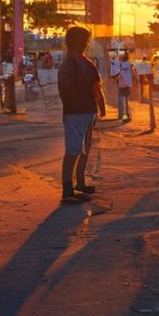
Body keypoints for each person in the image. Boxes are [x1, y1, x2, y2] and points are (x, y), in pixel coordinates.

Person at [57, 26, 106, 203]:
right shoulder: (70, 64)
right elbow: (66, 90)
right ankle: (67, 189)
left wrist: (99, 107)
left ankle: (80, 183)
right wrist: (98, 106)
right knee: (73, 151)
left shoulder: (84, 63)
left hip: (85, 113)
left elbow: (96, 87)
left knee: (84, 150)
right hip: (75, 114)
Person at [112, 52, 136, 122]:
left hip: (121, 84)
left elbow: (116, 73)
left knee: (121, 100)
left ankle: (121, 115)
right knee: (126, 100)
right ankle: (127, 115)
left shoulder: (119, 64)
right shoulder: (130, 64)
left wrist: (115, 79)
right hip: (127, 84)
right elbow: (133, 73)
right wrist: (135, 80)